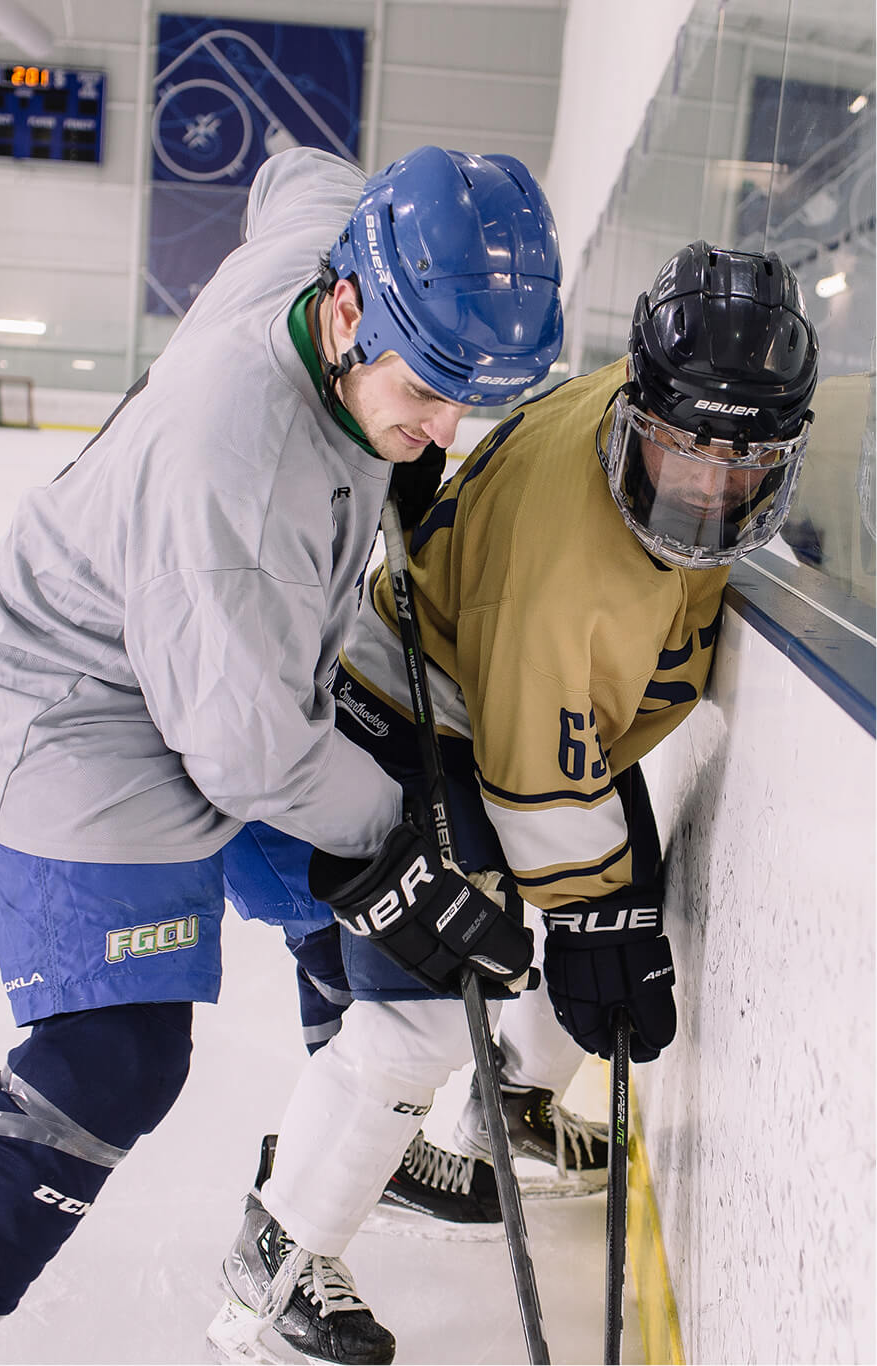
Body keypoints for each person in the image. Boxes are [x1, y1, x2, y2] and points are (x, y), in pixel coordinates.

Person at [0, 143, 565, 1366]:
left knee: (345, 885)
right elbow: (252, 758)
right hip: (83, 708)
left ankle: (355, 1149)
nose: (442, 430)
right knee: (115, 1055)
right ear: (351, 312)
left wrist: (401, 442)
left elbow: (296, 166)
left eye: (467, 399)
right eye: (427, 392)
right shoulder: (234, 473)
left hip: (220, 661)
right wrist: (405, 858)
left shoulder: (330, 245)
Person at [209, 241, 820, 1364]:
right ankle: (274, 1258)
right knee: (421, 1014)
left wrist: (599, 902)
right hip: (412, 717)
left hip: (471, 704)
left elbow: (560, 771)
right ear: (645, 408)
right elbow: (530, 775)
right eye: (684, 456)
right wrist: (590, 917)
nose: (704, 492)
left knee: (603, 884)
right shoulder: (564, 566)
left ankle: (517, 1114)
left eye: (740, 470)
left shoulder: (644, 403)